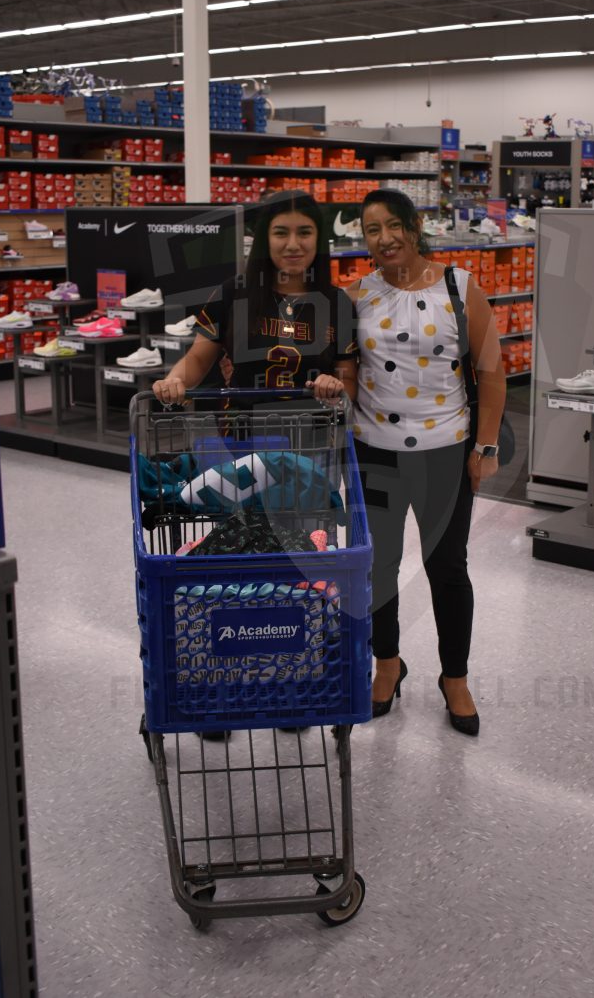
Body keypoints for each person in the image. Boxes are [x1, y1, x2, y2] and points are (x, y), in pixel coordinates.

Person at [348, 188, 506, 736]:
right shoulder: (357, 295)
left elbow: (491, 373)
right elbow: (345, 374)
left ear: (415, 226)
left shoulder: (461, 287)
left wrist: (484, 449)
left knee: (448, 569)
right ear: (363, 240)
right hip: (374, 450)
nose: (386, 238)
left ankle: (455, 677)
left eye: (394, 225)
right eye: (373, 230)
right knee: (378, 568)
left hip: (446, 450)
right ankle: (387, 665)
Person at [152, 191, 358, 406]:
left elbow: (349, 379)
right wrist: (175, 380)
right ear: (265, 239)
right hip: (241, 432)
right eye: (281, 233)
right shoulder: (233, 292)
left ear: (319, 238)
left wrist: (335, 387)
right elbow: (197, 358)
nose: (293, 244)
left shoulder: (338, 303)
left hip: (312, 433)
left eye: (305, 233)